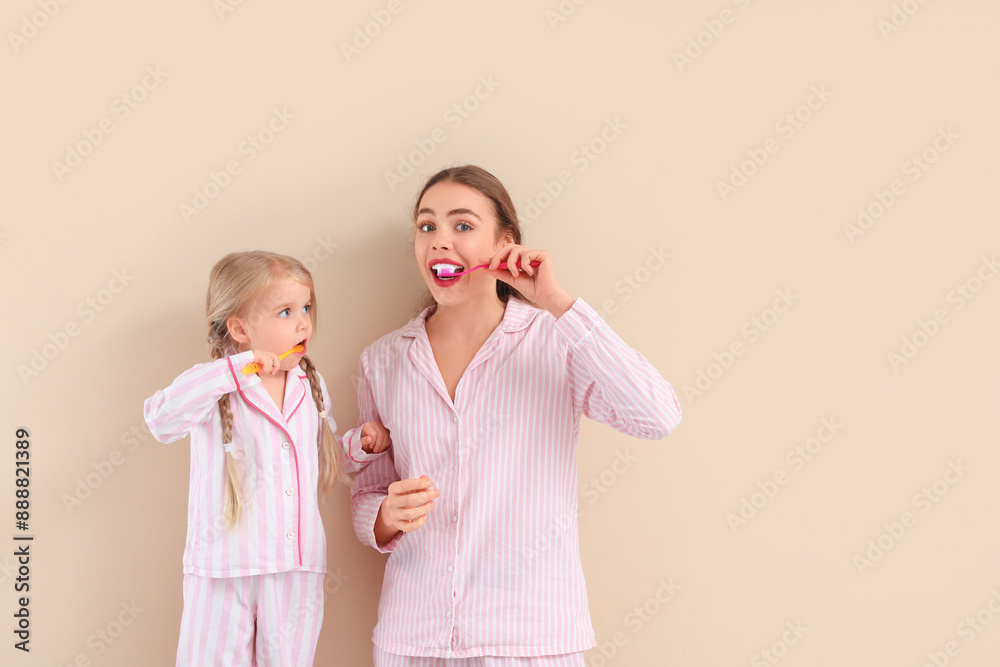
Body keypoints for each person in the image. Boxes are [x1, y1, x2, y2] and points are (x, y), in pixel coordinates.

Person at [347, 165, 682, 666]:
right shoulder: (383, 361)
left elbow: (657, 416)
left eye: (463, 226)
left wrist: (557, 302)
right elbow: (367, 493)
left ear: (505, 242)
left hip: (530, 638)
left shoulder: (555, 342)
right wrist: (382, 518)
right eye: (427, 226)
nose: (440, 241)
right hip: (412, 639)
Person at [143, 250, 390, 667]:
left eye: (307, 308)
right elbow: (160, 419)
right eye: (286, 311)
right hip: (224, 568)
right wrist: (237, 370)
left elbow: (321, 456)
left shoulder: (308, 384)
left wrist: (359, 447)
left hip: (295, 567)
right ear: (239, 328)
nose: (303, 322)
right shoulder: (217, 385)